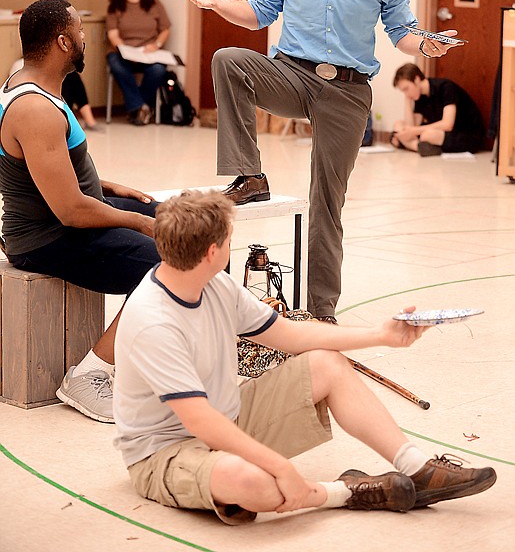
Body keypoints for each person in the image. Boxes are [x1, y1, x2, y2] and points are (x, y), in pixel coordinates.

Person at [174, 0, 462, 323]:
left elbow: (401, 32)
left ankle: (321, 311)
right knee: (228, 59)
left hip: (347, 93)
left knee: (327, 202)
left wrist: (426, 44)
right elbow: (258, 13)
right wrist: (215, 3)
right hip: (290, 74)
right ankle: (250, 177)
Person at [113, 189, 496, 524]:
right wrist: (280, 467)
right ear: (212, 251)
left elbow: (290, 334)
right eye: (230, 241)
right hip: (165, 452)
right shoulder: (154, 322)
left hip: (226, 416)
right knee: (254, 484)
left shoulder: (216, 284)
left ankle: (417, 468)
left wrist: (382, 336)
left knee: (327, 361)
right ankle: (344, 492)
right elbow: (200, 423)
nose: (232, 248)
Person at [0, 0, 161, 423]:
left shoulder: (29, 79)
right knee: (169, 262)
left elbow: (52, 169)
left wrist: (108, 187)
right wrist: (139, 222)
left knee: (176, 221)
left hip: (68, 215)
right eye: (81, 31)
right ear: (62, 41)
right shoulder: (34, 108)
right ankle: (90, 375)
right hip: (48, 237)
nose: (85, 37)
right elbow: (70, 209)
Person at [107, 0, 170, 125]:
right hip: (122, 51)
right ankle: (142, 107)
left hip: (148, 52)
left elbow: (165, 29)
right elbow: (113, 35)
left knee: (158, 70)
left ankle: (137, 109)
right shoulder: (115, 5)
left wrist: (156, 44)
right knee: (116, 64)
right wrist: (125, 50)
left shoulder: (154, 3)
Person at [391, 63, 485, 156]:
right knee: (398, 125)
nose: (406, 93)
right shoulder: (419, 96)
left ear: (416, 79)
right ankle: (419, 147)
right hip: (443, 133)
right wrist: (407, 100)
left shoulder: (446, 87)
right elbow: (411, 126)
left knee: (427, 135)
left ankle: (412, 146)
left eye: (406, 89)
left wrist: (413, 131)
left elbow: (447, 124)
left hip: (466, 134)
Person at [9, 58, 101, 132]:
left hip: (51, 108)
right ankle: (77, 120)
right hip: (38, 112)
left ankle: (88, 120)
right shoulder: (20, 66)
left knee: (71, 75)